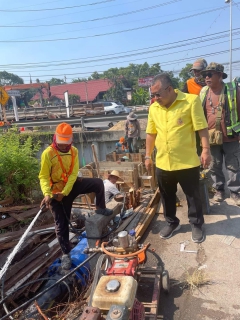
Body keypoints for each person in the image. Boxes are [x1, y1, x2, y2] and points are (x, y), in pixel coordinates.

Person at [145, 73, 211, 243]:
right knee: (167, 195)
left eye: (158, 94)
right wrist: (147, 156)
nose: (155, 98)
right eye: (153, 95)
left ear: (169, 89)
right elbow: (151, 134)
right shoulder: (154, 108)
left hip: (187, 161)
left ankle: (196, 224)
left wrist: (205, 150)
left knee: (192, 195)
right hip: (163, 162)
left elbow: (201, 128)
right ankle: (172, 222)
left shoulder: (190, 101)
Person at [39, 122, 113, 270]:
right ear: (56, 139)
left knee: (98, 183)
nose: (63, 147)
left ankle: (100, 208)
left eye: (66, 144)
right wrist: (48, 194)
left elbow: (73, 174)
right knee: (61, 224)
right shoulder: (48, 153)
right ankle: (66, 254)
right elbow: (43, 176)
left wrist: (65, 192)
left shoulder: (73, 151)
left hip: (69, 187)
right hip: (55, 193)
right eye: (61, 144)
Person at [200, 62, 240, 205]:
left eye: (210, 74)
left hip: (231, 136)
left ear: (220, 75)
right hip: (211, 137)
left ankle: (235, 192)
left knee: (232, 165)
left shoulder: (232, 90)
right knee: (215, 165)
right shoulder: (204, 92)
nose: (206, 77)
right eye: (205, 75)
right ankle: (219, 190)